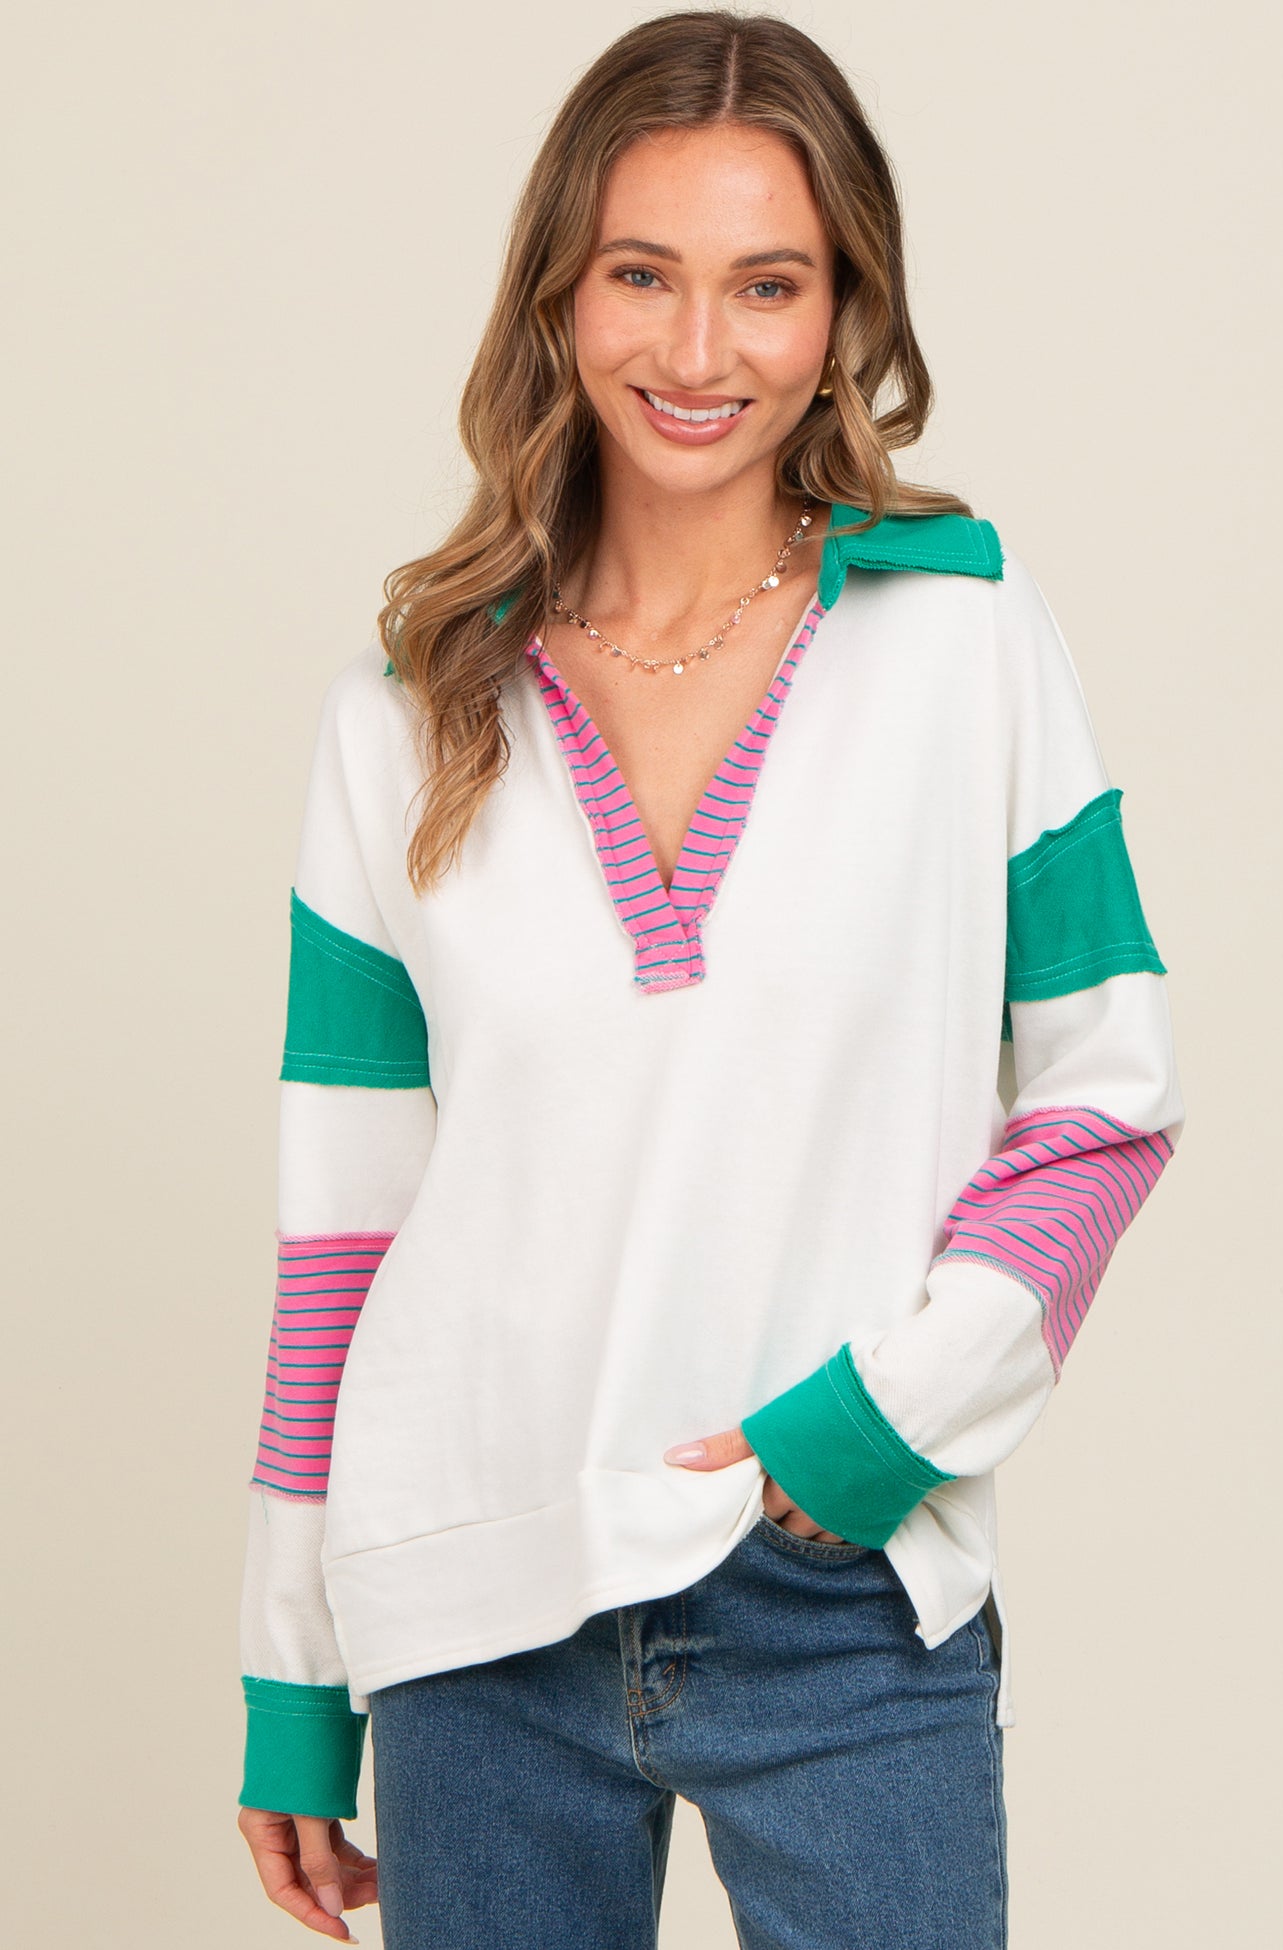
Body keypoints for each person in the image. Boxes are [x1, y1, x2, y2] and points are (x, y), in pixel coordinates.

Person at [234, 12, 1185, 1947]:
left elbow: (1110, 1099)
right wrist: (291, 1678)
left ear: (843, 315)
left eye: (767, 285)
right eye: (641, 276)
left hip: (838, 1589)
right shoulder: (401, 709)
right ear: (558, 295)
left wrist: (878, 1430)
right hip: (473, 1602)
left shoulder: (966, 636)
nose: (696, 350)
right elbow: (344, 1232)